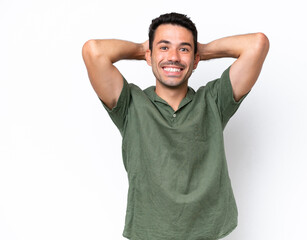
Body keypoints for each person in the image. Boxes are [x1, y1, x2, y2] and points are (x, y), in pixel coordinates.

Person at [82, 12, 269, 240]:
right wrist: (144, 50)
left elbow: (257, 44)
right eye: (164, 47)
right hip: (148, 234)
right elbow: (93, 50)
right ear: (149, 56)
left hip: (207, 233)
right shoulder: (130, 104)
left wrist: (201, 51)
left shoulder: (214, 100)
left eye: (183, 49)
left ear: (195, 59)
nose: (173, 57)